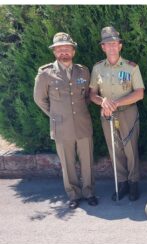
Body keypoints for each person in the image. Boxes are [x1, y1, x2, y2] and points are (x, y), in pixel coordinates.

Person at [34, 32, 97, 209]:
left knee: (87, 161)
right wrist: (54, 115)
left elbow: (86, 96)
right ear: (54, 52)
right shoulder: (45, 73)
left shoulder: (83, 71)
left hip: (83, 124)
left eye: (67, 49)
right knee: (67, 163)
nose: (64, 53)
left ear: (73, 51)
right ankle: (73, 195)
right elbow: (40, 99)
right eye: (59, 50)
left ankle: (89, 192)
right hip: (61, 126)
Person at [89, 26, 145, 201]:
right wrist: (102, 101)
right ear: (103, 47)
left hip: (127, 112)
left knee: (130, 149)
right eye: (107, 44)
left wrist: (117, 102)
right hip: (107, 114)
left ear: (120, 46)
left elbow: (139, 93)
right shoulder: (97, 68)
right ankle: (122, 184)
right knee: (115, 150)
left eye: (114, 43)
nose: (111, 47)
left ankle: (134, 183)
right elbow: (91, 94)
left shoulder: (131, 67)